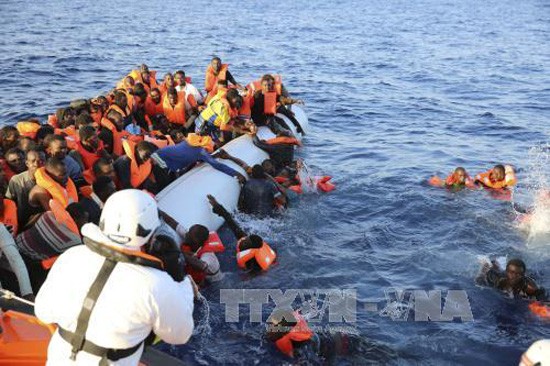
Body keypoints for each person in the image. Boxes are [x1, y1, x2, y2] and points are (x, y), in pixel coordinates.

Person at [34, 189, 197, 366]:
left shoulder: (71, 255)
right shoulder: (156, 283)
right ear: (151, 233)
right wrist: (181, 282)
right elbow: (180, 335)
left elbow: (42, 312)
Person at [208, 195, 277, 272]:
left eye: (245, 242)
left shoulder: (252, 262)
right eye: (246, 239)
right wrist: (217, 205)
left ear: (251, 249)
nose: (243, 241)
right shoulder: (243, 237)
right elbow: (229, 220)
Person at [160, 210, 224, 287]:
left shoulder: (208, 255)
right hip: (205, 278)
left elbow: (201, 266)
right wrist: (157, 210)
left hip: (217, 283)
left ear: (196, 242)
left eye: (189, 234)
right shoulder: (191, 238)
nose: (186, 234)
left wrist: (177, 252)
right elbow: (172, 222)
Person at [151, 136, 246, 183]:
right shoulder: (202, 151)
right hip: (162, 161)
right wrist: (235, 174)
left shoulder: (192, 141)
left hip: (163, 157)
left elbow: (195, 155)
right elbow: (217, 165)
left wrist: (215, 155)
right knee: (165, 176)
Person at [6, 149, 45, 229]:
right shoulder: (16, 180)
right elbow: (9, 202)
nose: (37, 164)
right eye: (33, 161)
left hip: (45, 222)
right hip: (23, 224)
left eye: (41, 161)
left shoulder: (52, 179)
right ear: (27, 163)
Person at [477, 258, 547, 300]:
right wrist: (482, 273)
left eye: (519, 274)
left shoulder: (529, 286)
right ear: (507, 272)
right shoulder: (499, 279)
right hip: (500, 274)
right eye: (512, 273)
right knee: (490, 267)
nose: (514, 276)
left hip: (528, 278)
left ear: (523, 275)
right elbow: (481, 278)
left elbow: (541, 293)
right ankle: (496, 264)